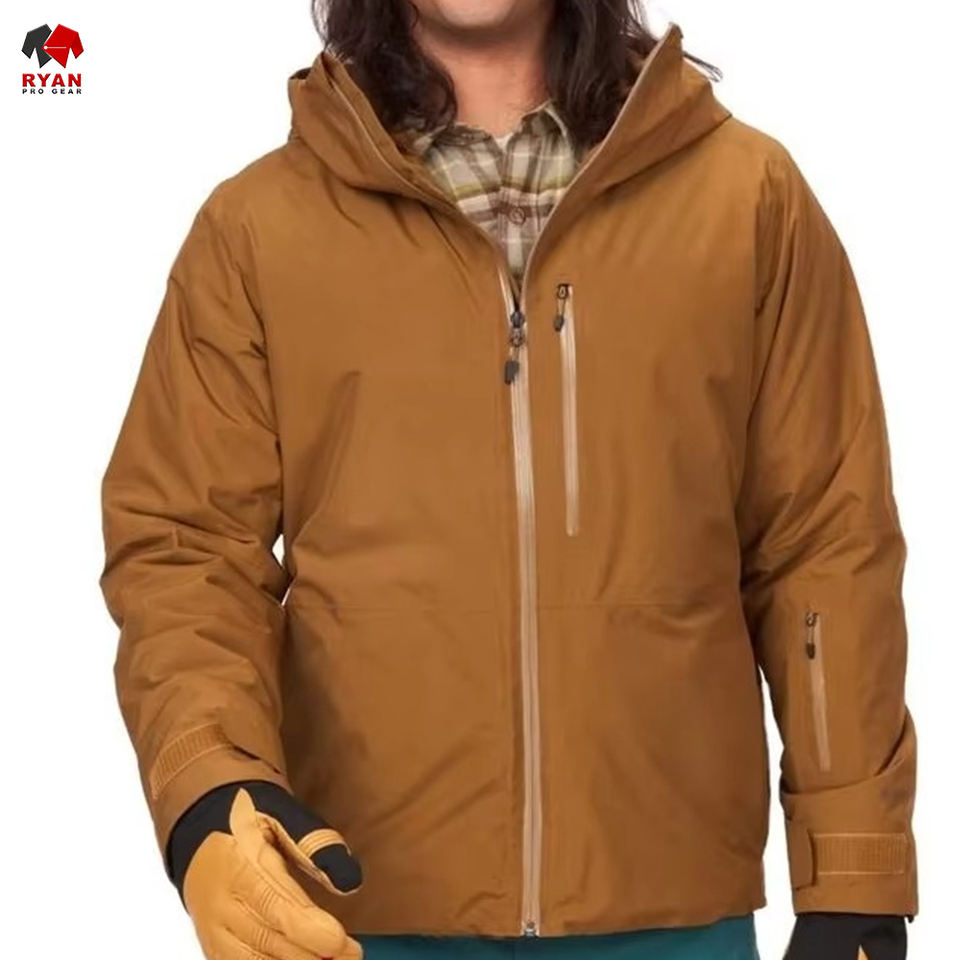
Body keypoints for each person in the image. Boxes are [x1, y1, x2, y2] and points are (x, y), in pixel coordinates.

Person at [99, 2, 917, 959]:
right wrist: (210, 792)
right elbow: (186, 552)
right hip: (354, 915)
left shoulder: (745, 199)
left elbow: (826, 545)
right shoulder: (257, 228)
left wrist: (854, 873)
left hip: (671, 916)